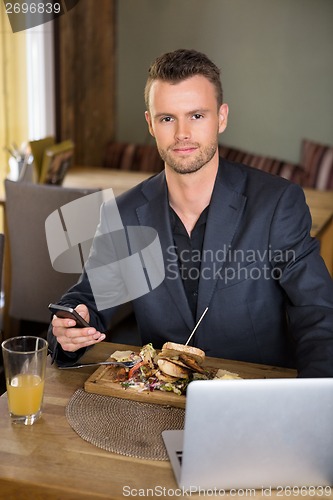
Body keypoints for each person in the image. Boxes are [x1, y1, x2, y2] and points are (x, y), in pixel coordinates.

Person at [48, 48, 333, 376]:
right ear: (151, 124)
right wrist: (69, 329)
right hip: (159, 400)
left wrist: (317, 401)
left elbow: (318, 315)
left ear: (221, 117)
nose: (182, 133)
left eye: (197, 115)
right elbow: (89, 300)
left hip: (256, 398)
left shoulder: (277, 203)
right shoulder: (122, 214)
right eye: (167, 118)